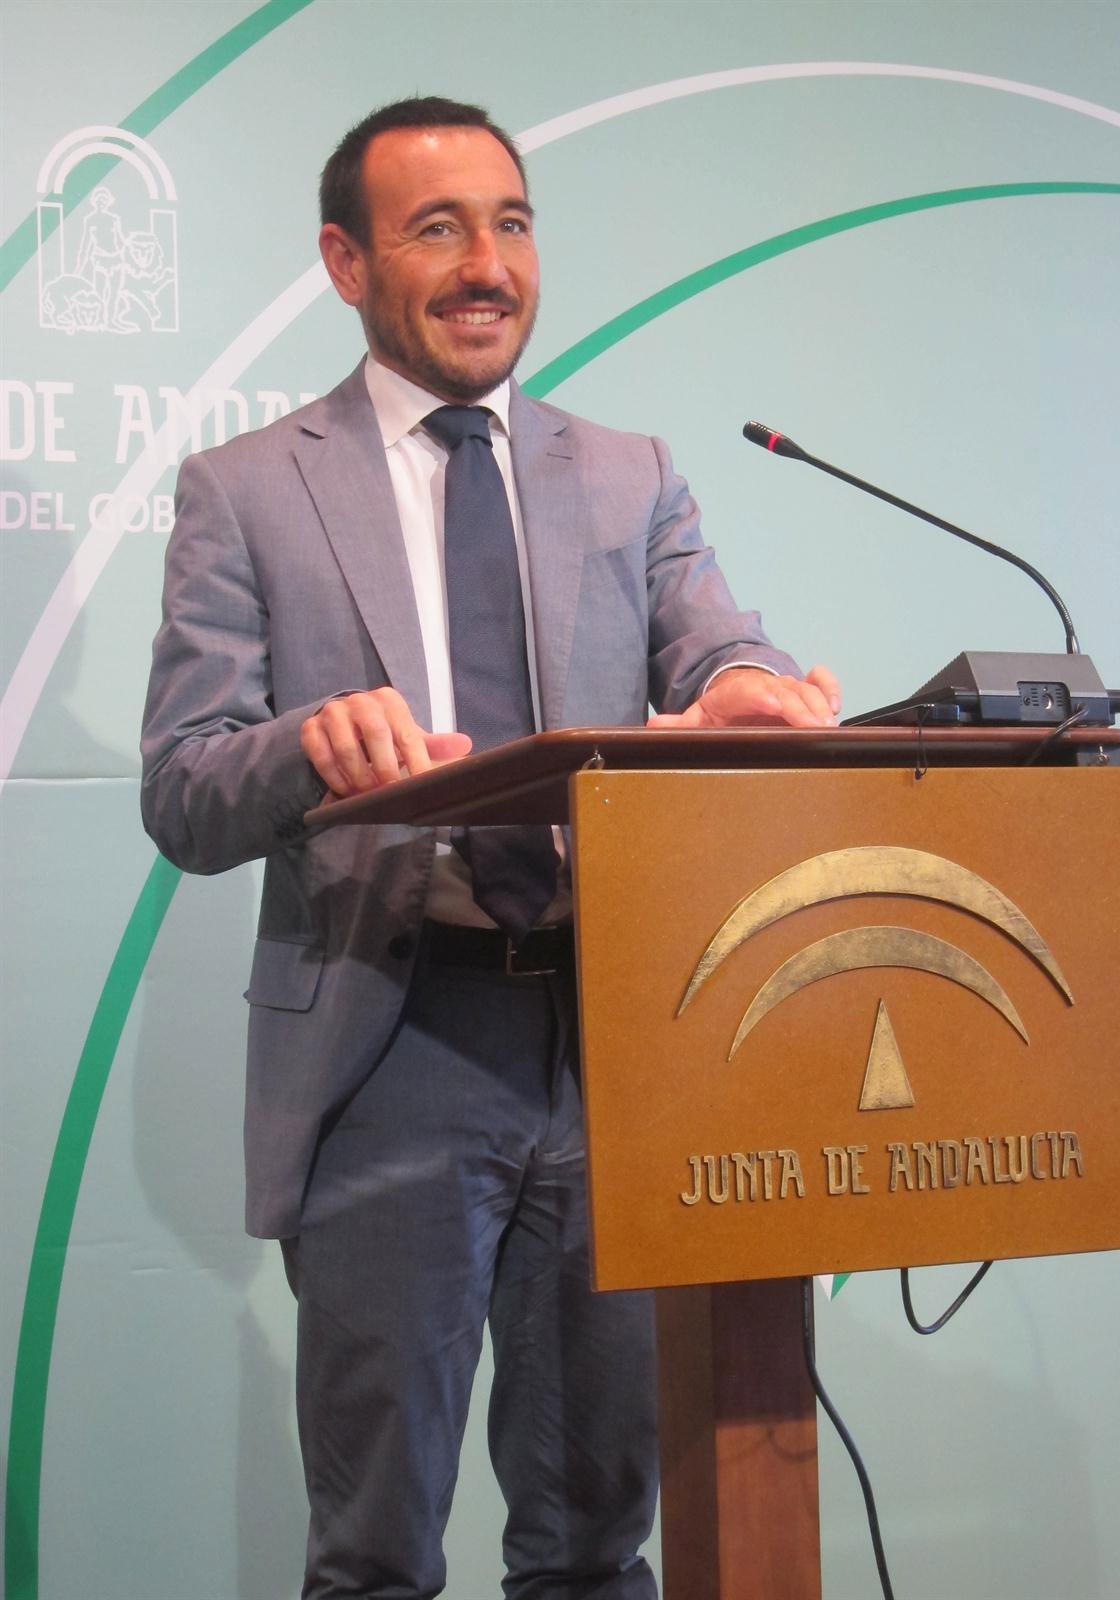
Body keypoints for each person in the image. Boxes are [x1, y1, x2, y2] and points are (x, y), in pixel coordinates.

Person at [141, 96, 840, 1600]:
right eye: (439, 228)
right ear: (346, 262)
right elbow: (185, 791)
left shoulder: (630, 472)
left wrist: (745, 684)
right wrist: (309, 746)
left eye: (511, 224)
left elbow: (721, 647)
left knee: (596, 1543)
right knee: (375, 1556)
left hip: (618, 1049)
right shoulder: (248, 490)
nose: (487, 265)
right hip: (392, 1047)